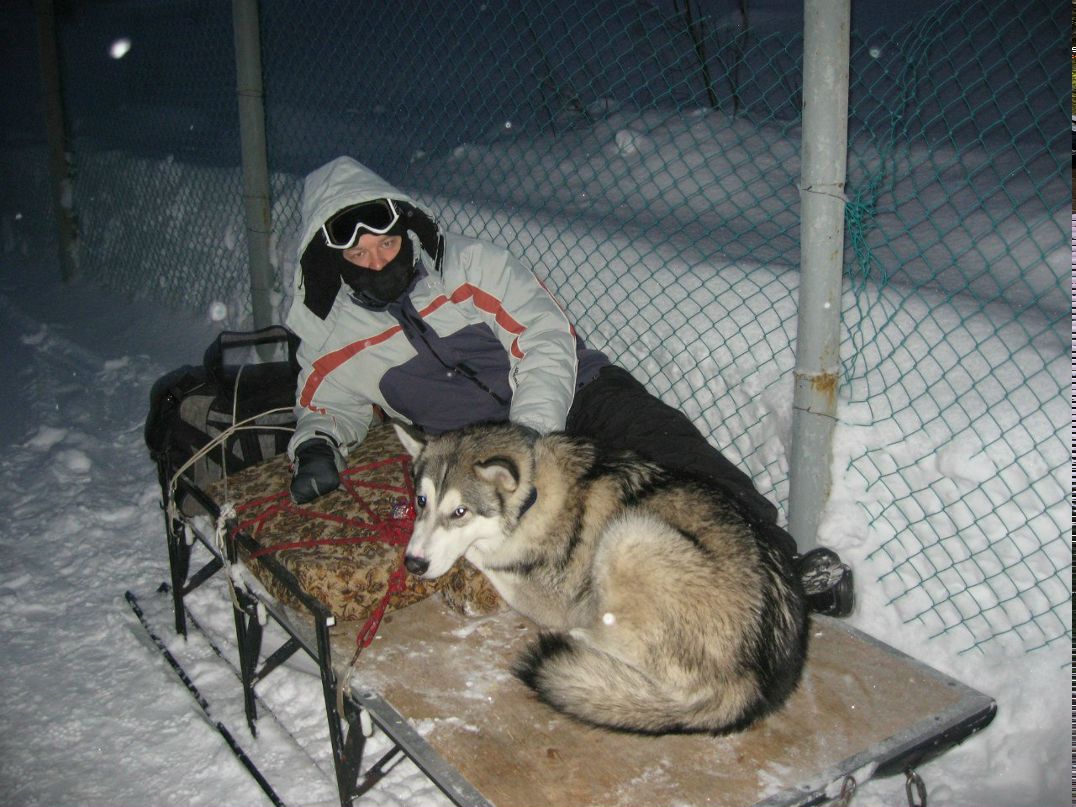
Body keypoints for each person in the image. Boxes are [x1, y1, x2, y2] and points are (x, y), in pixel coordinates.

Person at [284, 156, 853, 616]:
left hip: (575, 394)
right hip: (477, 462)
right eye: (358, 255)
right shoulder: (334, 337)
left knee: (668, 449)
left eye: (387, 245)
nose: (379, 261)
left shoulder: (472, 268)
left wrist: (530, 432)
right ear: (334, 263)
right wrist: (315, 444)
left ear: (406, 232)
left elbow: (545, 336)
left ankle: (780, 562)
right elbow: (323, 404)